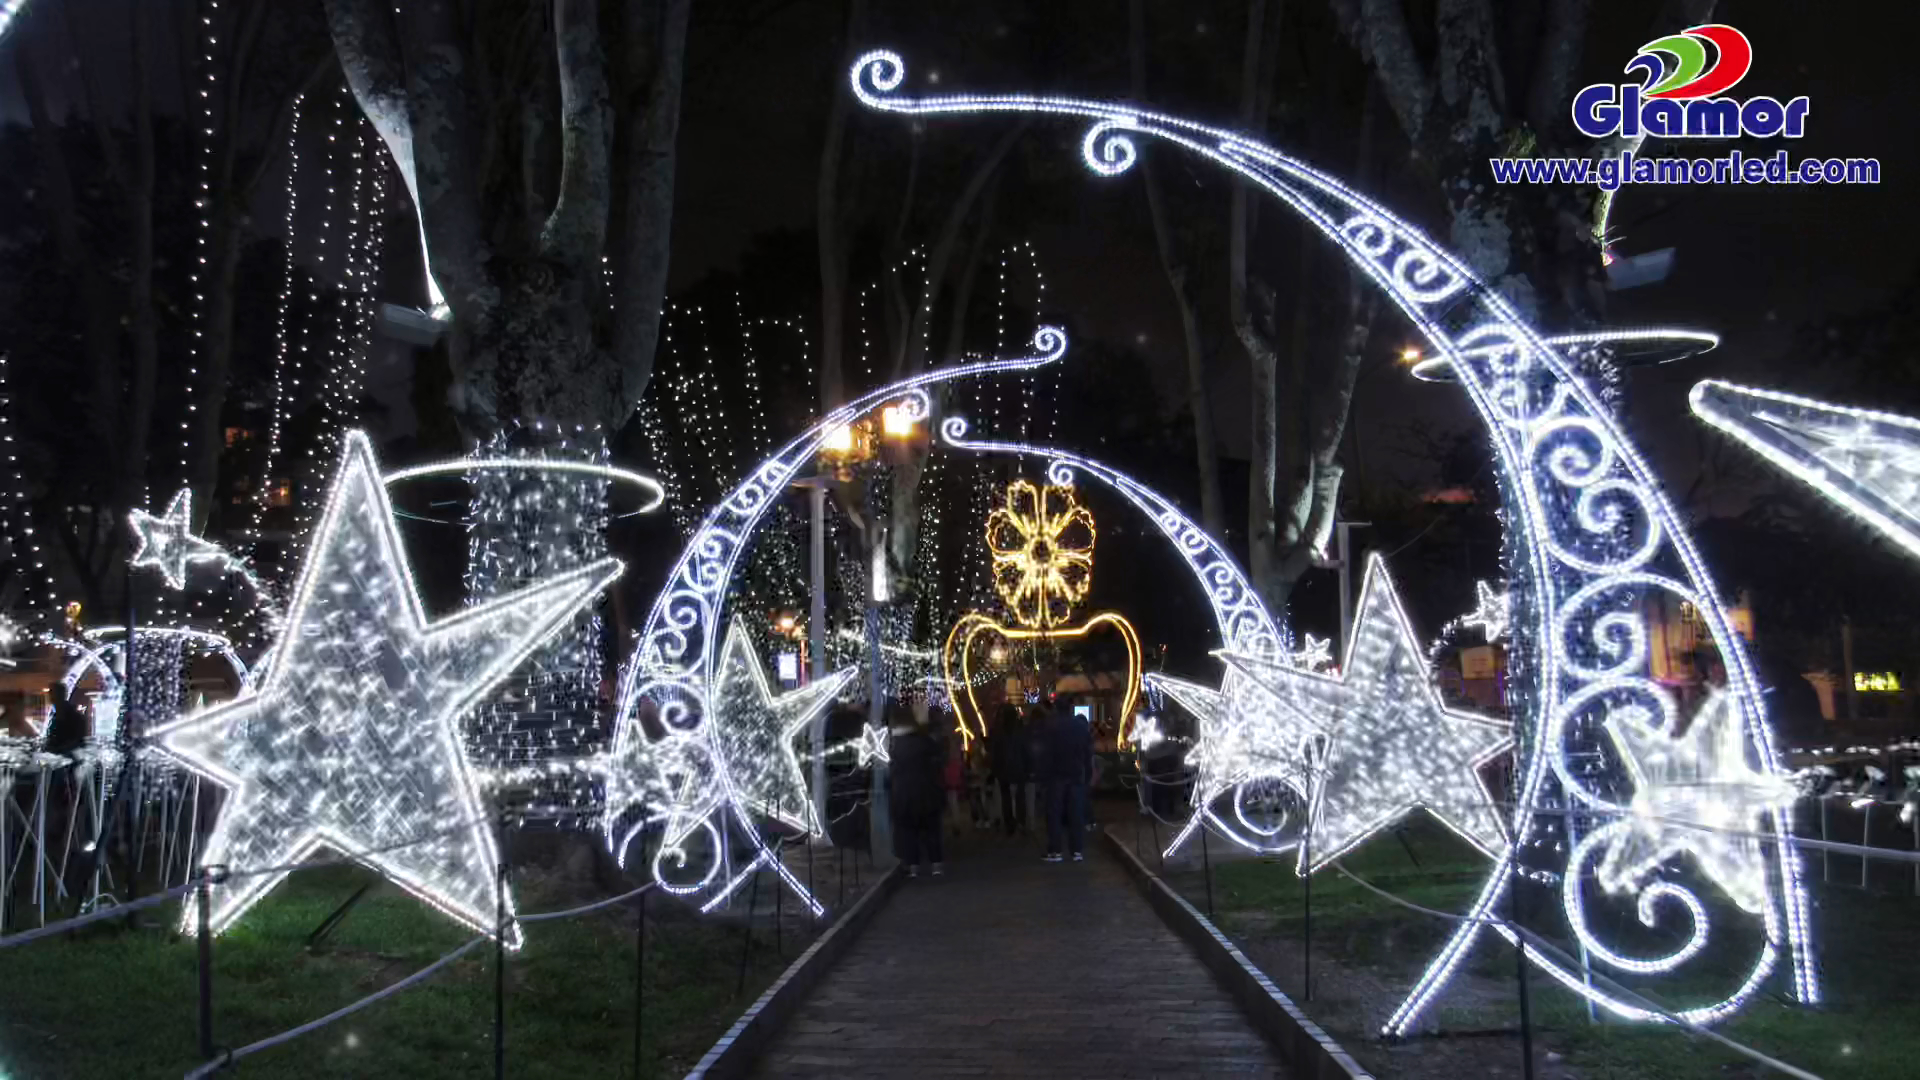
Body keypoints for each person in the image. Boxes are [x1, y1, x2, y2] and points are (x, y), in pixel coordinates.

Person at [886, 705, 945, 878]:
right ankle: (936, 863)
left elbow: (891, 769)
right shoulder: (923, 740)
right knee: (931, 828)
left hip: (903, 792)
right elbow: (937, 761)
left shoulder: (893, 745)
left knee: (907, 830)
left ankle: (913, 865)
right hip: (927, 789)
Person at [1041, 697, 1092, 863]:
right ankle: (1077, 850)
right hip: (1076, 773)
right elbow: (1087, 752)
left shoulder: (1050, 726)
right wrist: (1087, 773)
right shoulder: (1080, 727)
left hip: (1055, 775)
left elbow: (1046, 753)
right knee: (1076, 813)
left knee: (1054, 813)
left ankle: (1055, 850)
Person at [988, 704, 1030, 836]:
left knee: (1006, 797)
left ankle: (1009, 823)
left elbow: (994, 752)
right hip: (1019, 767)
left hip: (1003, 768)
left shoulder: (998, 731)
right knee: (1020, 795)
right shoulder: (1021, 730)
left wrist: (994, 769)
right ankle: (1021, 821)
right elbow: (1025, 750)